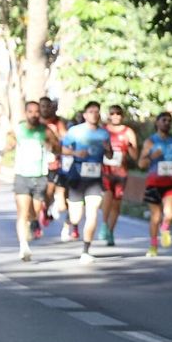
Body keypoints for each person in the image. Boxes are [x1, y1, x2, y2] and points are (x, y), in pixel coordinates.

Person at [4, 100, 55, 261]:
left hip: (39, 176)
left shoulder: (45, 131)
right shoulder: (18, 130)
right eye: (30, 111)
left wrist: (50, 145)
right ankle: (23, 247)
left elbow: (56, 147)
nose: (34, 114)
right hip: (22, 176)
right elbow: (9, 144)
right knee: (22, 213)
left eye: (36, 111)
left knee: (35, 211)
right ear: (26, 113)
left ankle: (34, 221)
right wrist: (8, 144)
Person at [60, 101, 110, 263]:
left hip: (95, 178)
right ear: (85, 114)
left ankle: (86, 250)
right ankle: (69, 222)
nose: (94, 114)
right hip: (77, 176)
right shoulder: (75, 131)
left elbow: (109, 156)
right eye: (91, 111)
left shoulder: (104, 134)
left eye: (97, 111)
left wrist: (108, 149)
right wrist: (75, 152)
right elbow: (62, 149)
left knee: (93, 212)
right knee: (76, 216)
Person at [136, 112, 172, 257]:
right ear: (157, 123)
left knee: (170, 213)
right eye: (164, 120)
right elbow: (141, 163)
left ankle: (165, 227)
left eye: (169, 121)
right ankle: (153, 246)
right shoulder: (151, 142)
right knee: (155, 216)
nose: (167, 123)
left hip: (169, 182)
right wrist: (151, 156)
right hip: (154, 182)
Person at [97, 104, 138, 247]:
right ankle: (103, 224)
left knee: (116, 204)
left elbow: (135, 156)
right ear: (109, 115)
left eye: (118, 113)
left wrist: (130, 146)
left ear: (122, 116)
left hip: (121, 172)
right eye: (112, 113)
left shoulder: (128, 132)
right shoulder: (103, 131)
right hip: (106, 170)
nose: (115, 116)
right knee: (107, 195)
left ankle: (110, 231)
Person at [39, 96, 67, 231]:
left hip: (52, 162)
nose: (45, 109)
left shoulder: (57, 122)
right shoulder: (35, 122)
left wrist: (56, 140)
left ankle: (46, 207)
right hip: (35, 163)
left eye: (47, 106)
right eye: (42, 106)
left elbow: (65, 137)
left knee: (50, 190)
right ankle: (37, 214)